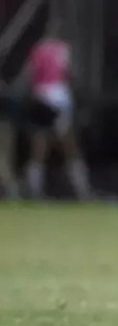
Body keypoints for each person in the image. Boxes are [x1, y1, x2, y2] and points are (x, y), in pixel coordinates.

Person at [18, 21, 93, 200]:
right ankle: (83, 190)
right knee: (69, 144)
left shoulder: (38, 49)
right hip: (58, 97)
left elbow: (30, 74)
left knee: (40, 142)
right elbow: (70, 74)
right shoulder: (63, 49)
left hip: (40, 95)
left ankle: (35, 189)